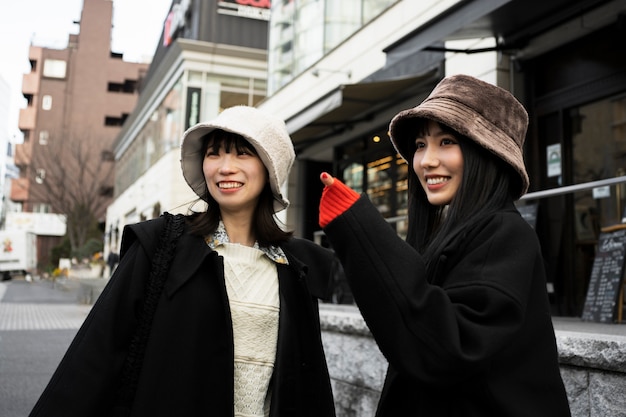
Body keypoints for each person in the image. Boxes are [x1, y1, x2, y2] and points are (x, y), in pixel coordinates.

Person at [29, 106, 337, 417]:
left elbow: (309, 385)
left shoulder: (294, 265)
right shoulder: (163, 245)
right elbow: (97, 353)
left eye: (242, 154)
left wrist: (357, 224)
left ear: (270, 168)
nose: (225, 167)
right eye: (214, 154)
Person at [318, 74, 571, 416]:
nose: (426, 160)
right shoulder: (456, 233)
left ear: (487, 153)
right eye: (421, 144)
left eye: (447, 141)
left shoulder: (505, 234)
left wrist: (360, 228)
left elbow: (445, 349)